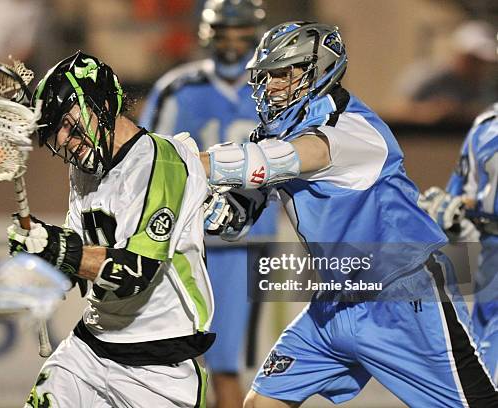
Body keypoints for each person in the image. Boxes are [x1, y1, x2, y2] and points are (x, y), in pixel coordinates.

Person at [197, 21, 498, 406]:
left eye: (283, 73)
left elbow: (299, 157)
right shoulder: (276, 134)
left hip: (404, 295)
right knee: (261, 403)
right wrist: (206, 206)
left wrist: (188, 161)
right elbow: (235, 219)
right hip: (334, 300)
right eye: (266, 75)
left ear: (320, 70)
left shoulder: (353, 129)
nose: (270, 85)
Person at [7, 51, 215, 407]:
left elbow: (136, 271)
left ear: (103, 103)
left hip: (159, 366)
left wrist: (58, 249)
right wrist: (37, 258)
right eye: (57, 132)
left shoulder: (161, 160)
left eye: (70, 125)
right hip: (90, 349)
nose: (66, 141)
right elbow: (76, 264)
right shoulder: (84, 168)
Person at [139, 1, 278, 406]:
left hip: (246, 242)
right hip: (183, 236)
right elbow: (147, 159)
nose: (232, 42)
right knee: (176, 352)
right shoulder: (177, 88)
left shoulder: (274, 86)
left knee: (224, 361)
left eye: (240, 32)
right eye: (224, 32)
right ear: (207, 34)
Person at [420, 102, 498, 382]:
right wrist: (451, 214)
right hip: (490, 263)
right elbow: (465, 201)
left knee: (486, 381)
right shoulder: (486, 125)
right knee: (475, 373)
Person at [393, 20, 497, 125]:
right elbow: (397, 111)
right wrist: (433, 111)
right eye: (473, 59)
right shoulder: (427, 75)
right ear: (458, 54)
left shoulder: (486, 84)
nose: (478, 66)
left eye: (482, 62)